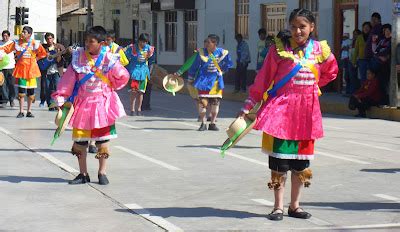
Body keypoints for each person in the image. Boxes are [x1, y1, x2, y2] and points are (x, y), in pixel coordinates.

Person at [238, 8, 338, 221]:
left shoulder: (321, 50)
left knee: (301, 165)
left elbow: (331, 72)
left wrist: (313, 87)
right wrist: (249, 105)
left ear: (312, 27)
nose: (297, 31)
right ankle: (277, 207)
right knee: (279, 165)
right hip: (281, 114)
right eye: (293, 26)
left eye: (302, 26)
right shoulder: (279, 49)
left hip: (306, 115)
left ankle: (295, 205)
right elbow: (263, 79)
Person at [51, 26, 129, 185]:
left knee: (103, 142)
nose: (87, 43)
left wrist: (110, 86)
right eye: (86, 40)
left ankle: (102, 172)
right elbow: (68, 79)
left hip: (102, 105)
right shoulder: (78, 57)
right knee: (80, 142)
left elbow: (123, 76)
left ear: (101, 43)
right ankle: (83, 174)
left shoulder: (109, 58)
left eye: (91, 41)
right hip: (82, 104)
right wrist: (61, 98)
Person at [188, 34, 233, 131]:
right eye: (206, 42)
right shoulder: (201, 53)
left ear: (215, 43)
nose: (206, 44)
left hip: (216, 83)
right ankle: (203, 123)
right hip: (203, 82)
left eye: (209, 42)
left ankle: (212, 123)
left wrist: (222, 72)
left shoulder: (223, 53)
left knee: (215, 104)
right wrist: (190, 79)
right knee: (202, 103)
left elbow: (228, 64)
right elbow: (194, 66)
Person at [0, 26, 47, 118]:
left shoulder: (35, 43)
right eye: (22, 32)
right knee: (21, 91)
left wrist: (35, 59)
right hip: (21, 70)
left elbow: (43, 53)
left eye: (24, 32)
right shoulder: (17, 43)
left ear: (29, 34)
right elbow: (4, 49)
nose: (22, 34)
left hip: (32, 71)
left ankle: (29, 111)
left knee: (31, 91)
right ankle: (21, 111)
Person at [125, 33, 155, 116]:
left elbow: (152, 61)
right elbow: (125, 59)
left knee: (141, 92)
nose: (143, 44)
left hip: (143, 72)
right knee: (133, 91)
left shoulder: (149, 49)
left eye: (145, 42)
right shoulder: (132, 48)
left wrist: (150, 72)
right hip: (134, 71)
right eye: (142, 42)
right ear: (139, 41)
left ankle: (139, 109)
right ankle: (132, 109)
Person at [40, 32, 67, 110]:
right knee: (47, 88)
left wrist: (68, 51)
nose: (49, 40)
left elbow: (66, 55)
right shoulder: (42, 47)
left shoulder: (59, 47)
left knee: (56, 87)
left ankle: (56, 104)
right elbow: (38, 56)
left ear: (53, 39)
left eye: (51, 38)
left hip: (57, 70)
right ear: (45, 39)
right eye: (47, 39)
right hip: (46, 70)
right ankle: (50, 104)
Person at [372, 24, 392, 105]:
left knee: (385, 84)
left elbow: (387, 51)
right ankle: (380, 100)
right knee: (379, 83)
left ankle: (386, 101)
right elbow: (376, 51)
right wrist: (380, 56)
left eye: (388, 31)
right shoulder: (382, 40)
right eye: (384, 31)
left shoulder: (392, 40)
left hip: (387, 66)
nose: (386, 33)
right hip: (380, 65)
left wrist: (380, 54)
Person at [0, 30, 16, 107]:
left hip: (11, 66)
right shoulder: (0, 43)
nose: (5, 37)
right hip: (1, 67)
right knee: (2, 84)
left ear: (9, 36)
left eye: (6, 36)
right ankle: (4, 100)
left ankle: (12, 99)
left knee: (11, 84)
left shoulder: (12, 43)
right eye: (3, 35)